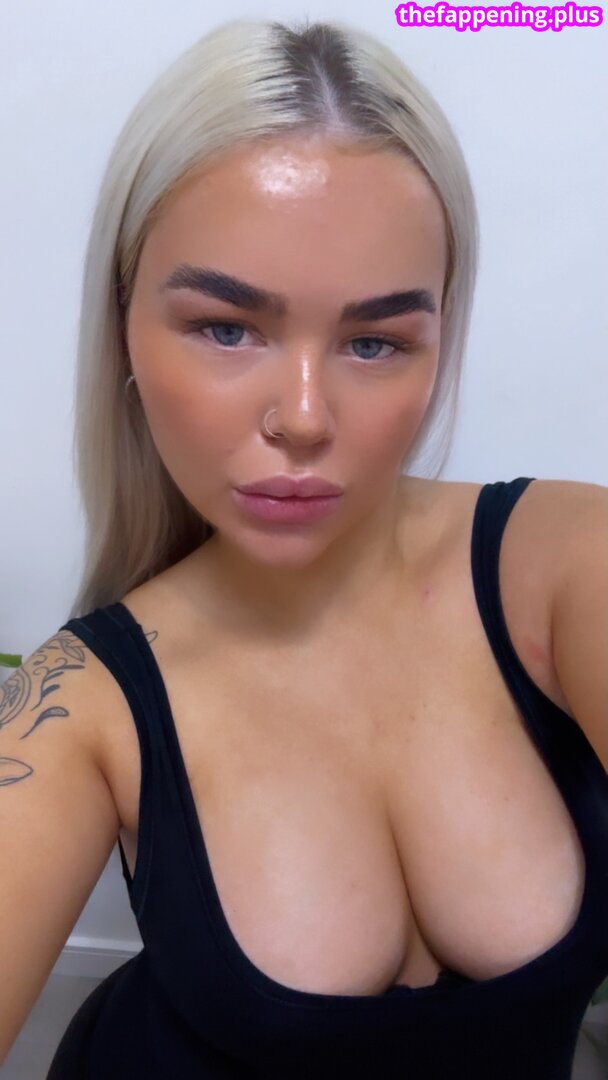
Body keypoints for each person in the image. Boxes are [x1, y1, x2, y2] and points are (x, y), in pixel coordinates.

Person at [1, 16, 607, 1080]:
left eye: (374, 341)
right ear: (125, 324)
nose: (305, 417)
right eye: (226, 328)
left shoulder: (561, 563)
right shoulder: (83, 702)